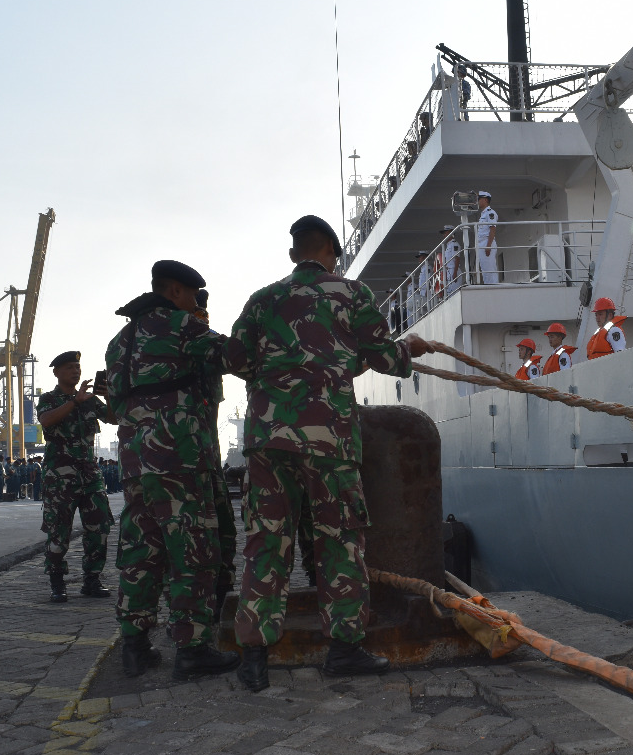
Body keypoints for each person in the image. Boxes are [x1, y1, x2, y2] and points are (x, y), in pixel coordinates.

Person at [224, 214, 431, 692]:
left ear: (293, 254)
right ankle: (344, 650)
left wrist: (279, 373)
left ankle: (253, 658)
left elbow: (234, 359)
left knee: (266, 542)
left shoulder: (262, 299)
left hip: (269, 440)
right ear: (332, 255)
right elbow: (385, 357)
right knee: (339, 540)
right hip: (329, 441)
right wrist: (409, 348)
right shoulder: (350, 293)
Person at [105, 260, 239, 681]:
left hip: (135, 464)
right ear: (178, 292)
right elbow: (233, 354)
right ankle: (192, 649)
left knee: (142, 553)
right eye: (192, 297)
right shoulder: (180, 325)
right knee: (192, 552)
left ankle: (134, 647)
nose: (194, 305)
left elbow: (114, 404)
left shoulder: (119, 341)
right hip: (178, 459)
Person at [36, 351, 117, 604]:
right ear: (57, 373)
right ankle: (57, 583)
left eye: (78, 367)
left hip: (90, 475)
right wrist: (74, 402)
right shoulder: (49, 399)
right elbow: (46, 420)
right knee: (59, 531)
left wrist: (109, 397)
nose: (76, 371)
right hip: (60, 477)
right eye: (70, 367)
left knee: (99, 528)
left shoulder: (91, 400)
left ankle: (92, 579)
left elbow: (114, 418)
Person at [191, 288, 238, 623]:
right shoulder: (180, 341)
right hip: (185, 462)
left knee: (223, 531)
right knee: (188, 539)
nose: (202, 319)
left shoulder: (208, 344)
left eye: (204, 314)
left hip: (208, 457)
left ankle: (220, 602)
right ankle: (191, 614)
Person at [476, 191, 499, 284]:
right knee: (485, 270)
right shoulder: (483, 214)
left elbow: (492, 229)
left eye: (479, 199)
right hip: (482, 243)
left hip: (487, 242)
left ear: (485, 200)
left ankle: (493, 287)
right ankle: (488, 286)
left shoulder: (490, 213)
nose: (477, 201)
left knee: (490, 269)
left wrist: (488, 246)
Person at [442, 226, 463, 295]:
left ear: (451, 233)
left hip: (454, 271)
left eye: (445, 233)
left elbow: (457, 259)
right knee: (450, 294)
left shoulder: (454, 244)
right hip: (450, 271)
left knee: (455, 293)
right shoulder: (448, 245)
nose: (444, 235)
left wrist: (455, 273)